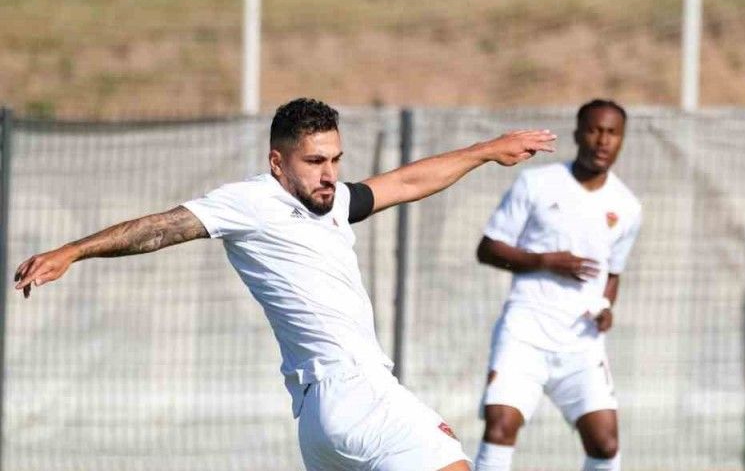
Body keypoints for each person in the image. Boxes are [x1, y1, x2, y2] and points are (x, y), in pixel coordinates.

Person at [13, 98, 556, 471]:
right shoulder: (251, 201)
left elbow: (408, 180)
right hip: (355, 392)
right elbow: (161, 228)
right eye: (314, 161)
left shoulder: (331, 201)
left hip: (322, 418)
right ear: (277, 162)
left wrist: (486, 150)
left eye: (335, 160)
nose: (329, 174)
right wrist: (73, 251)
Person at [472, 99, 641, 471]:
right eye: (594, 130)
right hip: (525, 331)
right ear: (578, 134)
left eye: (612, 133)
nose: (603, 140)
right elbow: (488, 248)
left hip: (580, 340)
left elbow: (612, 273)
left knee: (605, 444)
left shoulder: (627, 206)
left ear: (622, 139)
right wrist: (544, 261)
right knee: (500, 427)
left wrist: (606, 307)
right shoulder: (537, 183)